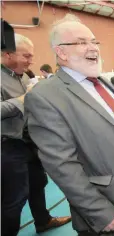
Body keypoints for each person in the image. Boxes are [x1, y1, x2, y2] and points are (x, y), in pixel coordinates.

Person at [24, 14, 114, 236]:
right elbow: (62, 165)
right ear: (61, 52)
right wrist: (99, 212)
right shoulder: (45, 96)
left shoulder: (100, 81)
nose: (93, 47)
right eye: (82, 42)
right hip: (108, 207)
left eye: (94, 41)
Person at [1, 33, 71, 235]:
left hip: (29, 142)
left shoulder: (23, 76)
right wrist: (23, 99)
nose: (31, 60)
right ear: (8, 54)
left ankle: (43, 221)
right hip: (7, 146)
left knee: (38, 183)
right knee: (15, 197)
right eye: (26, 56)